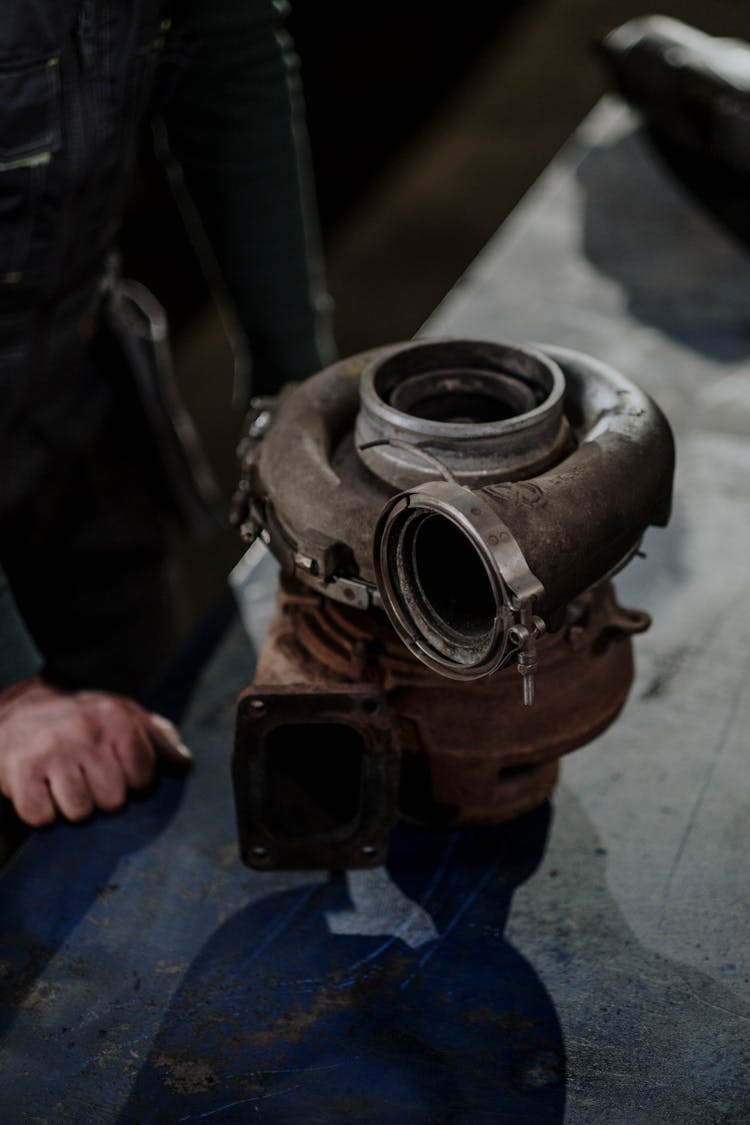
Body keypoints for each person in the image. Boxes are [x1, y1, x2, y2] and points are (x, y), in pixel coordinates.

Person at [0, 0, 335, 829]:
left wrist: (301, 394)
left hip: (72, 408)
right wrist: (10, 689)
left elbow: (225, 50)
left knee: (148, 765)